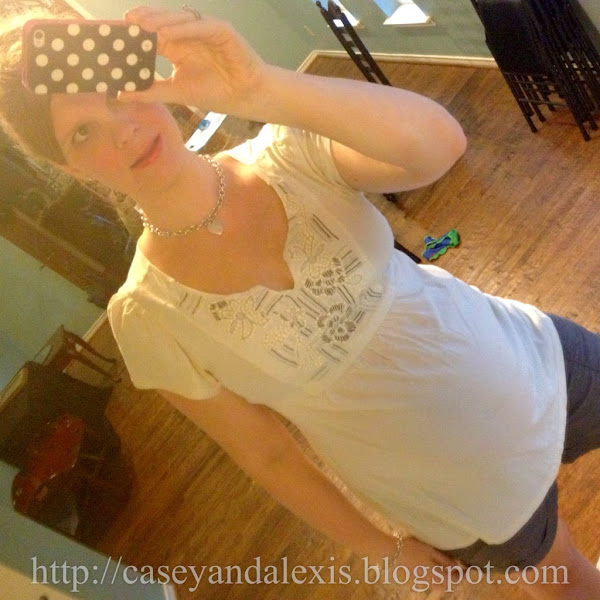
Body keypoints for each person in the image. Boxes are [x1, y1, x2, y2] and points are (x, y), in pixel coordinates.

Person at [2, 5, 600, 597]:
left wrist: (258, 88)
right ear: (70, 168)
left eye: (116, 94)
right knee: (575, 586)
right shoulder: (146, 317)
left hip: (537, 356)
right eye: (82, 133)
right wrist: (384, 549)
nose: (122, 129)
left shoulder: (287, 155)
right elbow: (268, 456)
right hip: (463, 493)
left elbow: (439, 144)